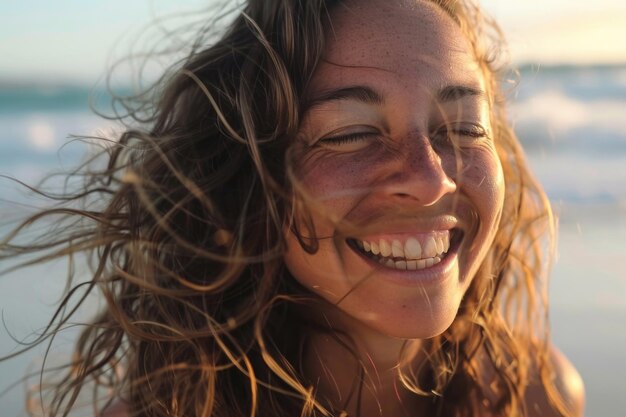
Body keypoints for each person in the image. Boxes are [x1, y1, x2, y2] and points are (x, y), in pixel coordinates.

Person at [0, 0, 585, 416]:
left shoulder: (534, 396)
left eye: (462, 127)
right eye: (352, 133)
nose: (431, 179)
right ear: (248, 177)